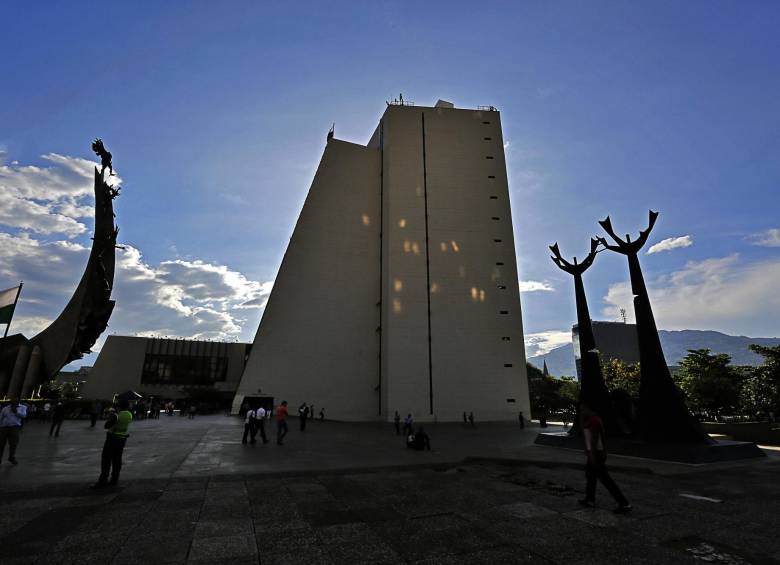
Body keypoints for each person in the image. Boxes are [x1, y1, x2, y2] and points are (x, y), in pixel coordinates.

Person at [578, 403, 632, 514]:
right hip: (594, 454)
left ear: (590, 408)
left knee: (606, 480)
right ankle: (590, 499)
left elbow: (594, 440)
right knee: (590, 476)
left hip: (596, 454)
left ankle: (624, 504)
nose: (581, 411)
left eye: (583, 409)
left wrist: (592, 455)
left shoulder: (595, 420)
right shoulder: (590, 420)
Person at [91, 399, 133, 488]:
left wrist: (111, 416)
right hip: (122, 439)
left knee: (106, 460)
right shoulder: (129, 414)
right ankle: (114, 479)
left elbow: (106, 426)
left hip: (112, 439)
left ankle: (103, 481)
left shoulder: (116, 415)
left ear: (119, 406)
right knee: (117, 460)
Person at [0, 399, 27, 464]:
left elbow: (24, 416)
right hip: (4, 427)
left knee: (13, 444)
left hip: (14, 427)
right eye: (13, 402)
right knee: (1, 444)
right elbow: (1, 417)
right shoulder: (5, 408)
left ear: (18, 402)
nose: (14, 403)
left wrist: (16, 412)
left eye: (16, 402)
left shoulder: (23, 407)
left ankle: (11, 457)